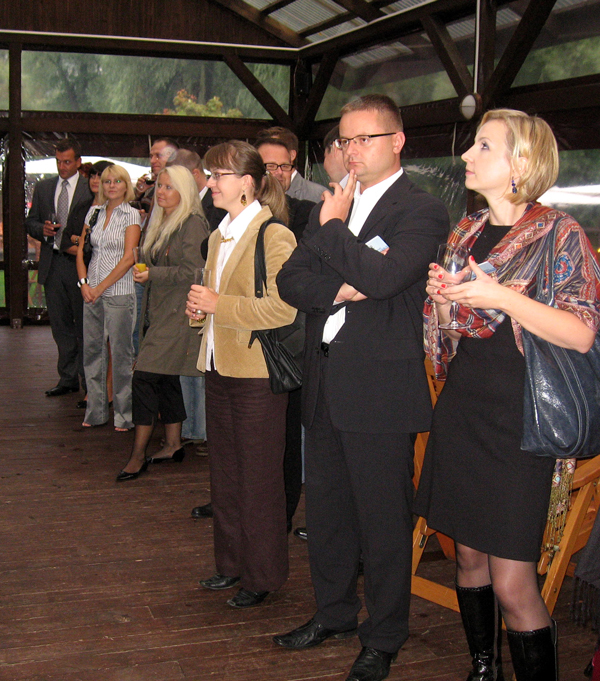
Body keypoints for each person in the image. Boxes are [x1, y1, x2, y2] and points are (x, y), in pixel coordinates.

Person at [415, 109, 600, 681]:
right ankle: (483, 669)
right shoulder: (466, 231)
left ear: (521, 162)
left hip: (521, 423)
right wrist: (443, 302)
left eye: (483, 146)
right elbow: (450, 336)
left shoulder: (560, 233)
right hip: (464, 409)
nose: (466, 156)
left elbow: (582, 332)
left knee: (514, 581)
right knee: (467, 556)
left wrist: (501, 297)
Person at [274, 95, 449, 681]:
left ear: (397, 141)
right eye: (344, 140)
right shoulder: (334, 204)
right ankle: (334, 613)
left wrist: (332, 230)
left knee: (383, 524)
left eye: (364, 138)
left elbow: (385, 276)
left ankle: (385, 634)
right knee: (327, 515)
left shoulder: (420, 210)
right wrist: (343, 287)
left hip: (379, 389)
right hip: (324, 379)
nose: (351, 150)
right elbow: (291, 280)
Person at [185, 140, 296, 609]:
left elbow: (284, 309)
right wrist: (199, 312)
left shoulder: (274, 235)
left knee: (259, 479)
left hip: (255, 376)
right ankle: (230, 564)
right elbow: (215, 305)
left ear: (247, 183)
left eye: (219, 175)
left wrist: (218, 305)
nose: (211, 183)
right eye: (210, 174)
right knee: (226, 474)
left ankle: (262, 575)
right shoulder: (218, 236)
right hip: (218, 366)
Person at [116, 165, 209, 481]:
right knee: (166, 378)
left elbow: (195, 271)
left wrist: (152, 273)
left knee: (144, 377)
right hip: (159, 311)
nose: (161, 192)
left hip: (180, 314)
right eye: (159, 186)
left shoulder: (192, 223)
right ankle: (172, 444)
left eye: (169, 187)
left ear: (185, 191)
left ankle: (137, 456)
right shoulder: (162, 220)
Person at [25, 138, 93, 397]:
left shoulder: (90, 189)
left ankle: (89, 384)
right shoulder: (44, 187)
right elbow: (30, 222)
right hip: (52, 264)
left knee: (84, 326)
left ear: (78, 162)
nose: (62, 167)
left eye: (67, 162)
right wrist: (40, 230)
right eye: (58, 162)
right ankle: (67, 378)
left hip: (80, 265)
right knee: (60, 326)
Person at [76, 165, 141, 431]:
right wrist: (84, 284)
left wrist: (99, 287)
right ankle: (96, 412)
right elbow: (82, 251)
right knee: (92, 353)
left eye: (117, 181)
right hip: (91, 293)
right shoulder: (94, 213)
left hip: (119, 293)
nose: (111, 186)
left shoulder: (131, 214)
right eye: (106, 181)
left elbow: (128, 258)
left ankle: (124, 415)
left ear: (126, 185)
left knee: (121, 355)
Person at [62, 159, 115, 410]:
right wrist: (88, 248)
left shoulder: (122, 210)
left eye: (100, 176)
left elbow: (123, 251)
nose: (95, 180)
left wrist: (84, 244)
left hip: (113, 281)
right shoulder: (84, 208)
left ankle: (110, 389)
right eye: (92, 175)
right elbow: (66, 242)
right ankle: (93, 390)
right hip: (86, 278)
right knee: (89, 337)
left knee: (112, 339)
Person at [132, 137, 180, 356]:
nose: (152, 160)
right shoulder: (152, 193)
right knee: (137, 331)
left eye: (158, 155)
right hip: (145, 270)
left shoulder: (182, 202)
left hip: (164, 279)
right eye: (151, 155)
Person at [255, 126, 327, 202]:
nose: (279, 172)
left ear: (292, 155)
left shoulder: (318, 196)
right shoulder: (252, 198)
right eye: (271, 166)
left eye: (284, 166)